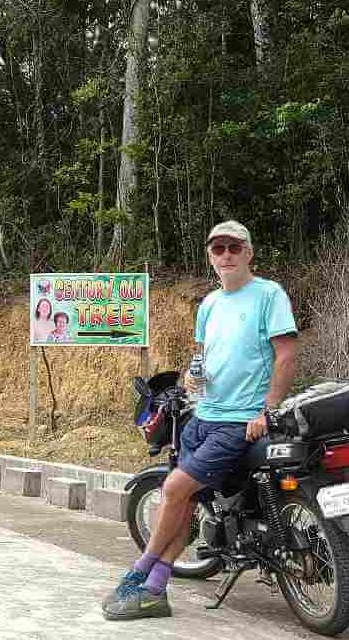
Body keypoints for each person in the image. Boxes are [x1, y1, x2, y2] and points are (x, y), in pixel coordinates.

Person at [102, 219, 299, 621]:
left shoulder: (268, 295)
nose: (225, 255)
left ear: (249, 252)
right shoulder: (209, 304)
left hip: (238, 422)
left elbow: (287, 355)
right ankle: (156, 589)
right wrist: (193, 380)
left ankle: (138, 573)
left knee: (174, 489)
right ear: (210, 256)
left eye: (233, 247)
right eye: (217, 248)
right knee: (186, 501)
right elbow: (204, 360)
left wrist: (266, 410)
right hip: (203, 416)